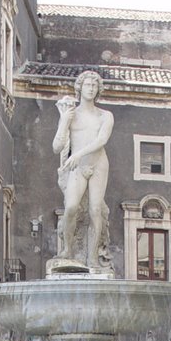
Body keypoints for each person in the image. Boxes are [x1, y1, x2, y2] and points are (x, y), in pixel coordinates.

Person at [52, 70, 114, 270]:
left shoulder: (106, 115)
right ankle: (67, 250)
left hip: (97, 164)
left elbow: (101, 140)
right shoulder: (71, 115)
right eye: (87, 85)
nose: (91, 88)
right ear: (79, 87)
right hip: (76, 168)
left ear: (98, 90)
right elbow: (56, 147)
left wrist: (78, 155)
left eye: (95, 86)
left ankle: (93, 257)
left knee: (96, 210)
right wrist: (63, 121)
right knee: (71, 207)